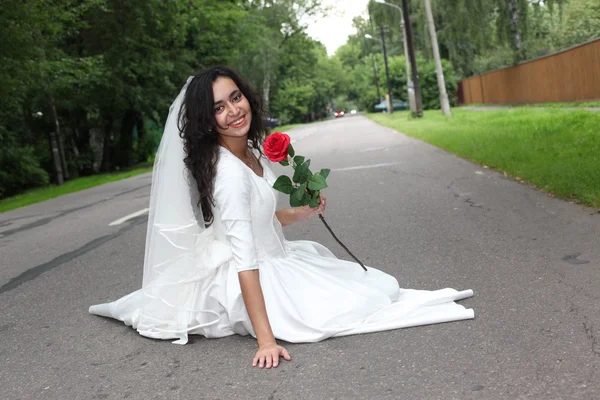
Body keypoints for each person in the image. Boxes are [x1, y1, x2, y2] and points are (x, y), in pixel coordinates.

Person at [89, 66, 474, 369]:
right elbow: (245, 259)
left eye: (235, 97)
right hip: (251, 277)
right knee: (336, 310)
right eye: (218, 108)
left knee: (369, 288)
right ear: (208, 121)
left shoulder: (250, 149)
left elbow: (263, 221)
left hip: (277, 258)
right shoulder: (227, 173)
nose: (233, 110)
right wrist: (266, 340)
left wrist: (301, 213)